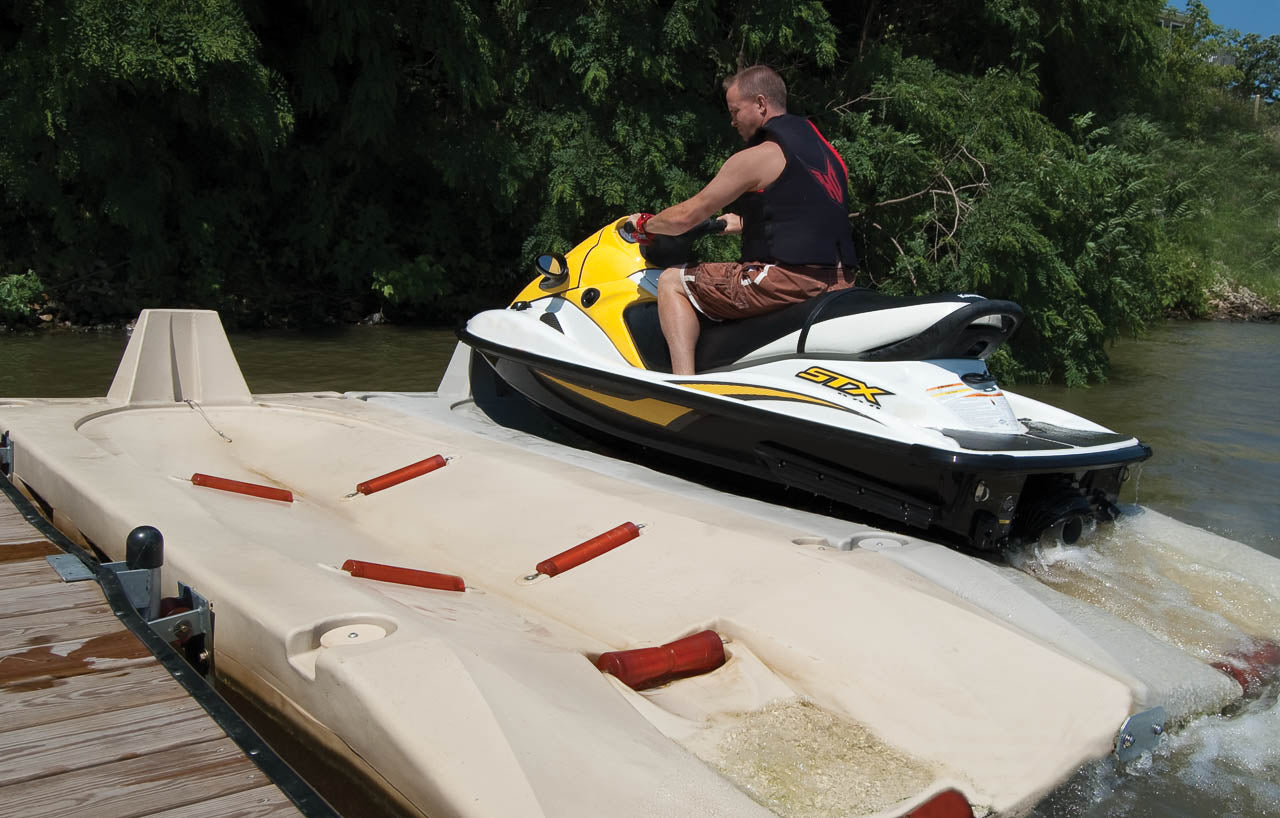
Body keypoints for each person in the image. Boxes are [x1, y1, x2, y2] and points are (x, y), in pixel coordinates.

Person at [627, 64, 857, 375]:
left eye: (735, 110)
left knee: (672, 280)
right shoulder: (825, 152)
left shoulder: (760, 155)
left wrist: (644, 225)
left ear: (761, 104)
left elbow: (685, 216)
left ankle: (683, 388)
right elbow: (808, 214)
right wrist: (742, 224)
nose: (732, 120)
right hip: (839, 281)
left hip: (785, 279)